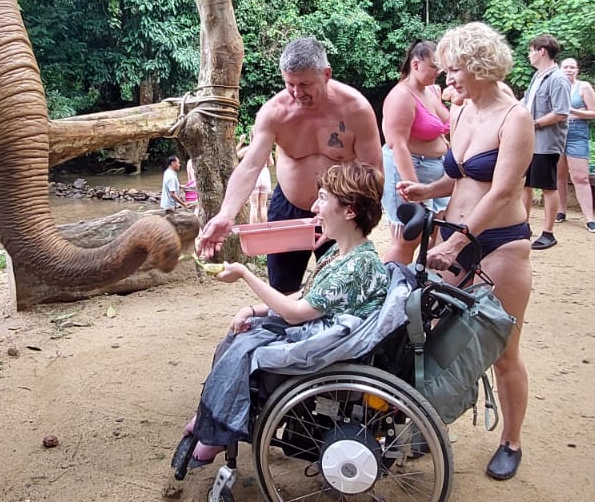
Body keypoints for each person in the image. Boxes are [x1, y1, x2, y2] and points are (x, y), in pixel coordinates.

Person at [397, 22, 534, 481]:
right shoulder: (460, 111)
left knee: (503, 349)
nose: (447, 77)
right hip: (453, 237)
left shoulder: (515, 117)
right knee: (433, 335)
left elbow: (502, 190)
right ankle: (429, 421)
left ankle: (511, 441)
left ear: (479, 66)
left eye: (454, 68)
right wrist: (426, 189)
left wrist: (457, 241)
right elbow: (459, 178)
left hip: (499, 242)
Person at [183, 161, 390, 463]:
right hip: (319, 331)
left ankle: (218, 430)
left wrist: (245, 274)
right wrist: (253, 310)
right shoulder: (344, 252)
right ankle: (212, 417)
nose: (314, 207)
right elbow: (307, 295)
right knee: (236, 337)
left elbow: (295, 312)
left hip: (325, 347)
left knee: (244, 348)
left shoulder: (356, 266)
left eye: (323, 198)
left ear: (350, 211)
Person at [196, 38, 384, 293]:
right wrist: (226, 214)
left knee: (342, 288)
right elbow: (250, 166)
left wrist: (352, 217)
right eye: (289, 84)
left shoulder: (355, 109)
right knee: (282, 288)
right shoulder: (274, 112)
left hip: (340, 209)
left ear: (326, 74)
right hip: (289, 207)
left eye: (305, 84)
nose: (297, 93)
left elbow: (372, 172)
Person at [380, 40, 451, 241]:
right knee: (407, 239)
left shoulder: (432, 91)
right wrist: (412, 188)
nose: (438, 72)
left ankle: (426, 264)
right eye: (433, 67)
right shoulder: (401, 96)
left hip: (437, 170)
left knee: (439, 232)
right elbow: (398, 145)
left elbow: (443, 125)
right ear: (415, 64)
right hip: (410, 167)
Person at [522, 34, 570, 251]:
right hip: (531, 142)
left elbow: (561, 112)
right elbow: (526, 102)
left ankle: (548, 233)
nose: (529, 55)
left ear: (542, 51)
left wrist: (533, 124)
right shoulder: (537, 76)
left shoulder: (558, 79)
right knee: (526, 184)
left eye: (531, 50)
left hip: (546, 143)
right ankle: (523, 226)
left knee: (548, 187)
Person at [555, 58, 595, 232]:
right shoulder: (555, 86)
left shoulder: (584, 87)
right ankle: (560, 211)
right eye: (565, 67)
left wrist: (571, 110)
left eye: (572, 67)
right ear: (560, 69)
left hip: (577, 133)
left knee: (581, 177)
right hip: (557, 132)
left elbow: (594, 113)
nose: (568, 70)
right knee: (559, 175)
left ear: (577, 70)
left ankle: (589, 219)